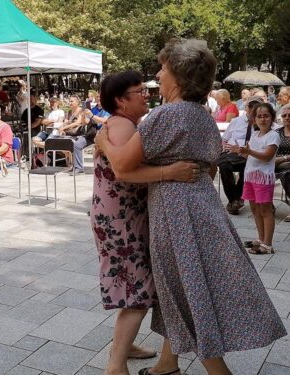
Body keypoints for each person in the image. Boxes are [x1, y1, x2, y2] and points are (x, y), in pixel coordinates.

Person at [96, 39, 286, 375]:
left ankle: (218, 372)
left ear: (179, 78)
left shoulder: (165, 115)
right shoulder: (202, 114)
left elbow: (123, 167)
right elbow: (212, 166)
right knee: (187, 285)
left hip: (174, 213)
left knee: (184, 291)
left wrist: (103, 141)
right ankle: (167, 365)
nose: (158, 74)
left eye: (164, 69)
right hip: (203, 206)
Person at [91, 70, 200, 375]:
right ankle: (115, 366)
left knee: (132, 286)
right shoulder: (123, 126)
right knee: (137, 292)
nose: (146, 95)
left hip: (120, 217)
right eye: (138, 92)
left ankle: (125, 345)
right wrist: (172, 172)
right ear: (119, 100)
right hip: (122, 220)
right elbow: (125, 172)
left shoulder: (124, 123)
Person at [236, 103, 279, 254]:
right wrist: (241, 151)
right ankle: (261, 238)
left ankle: (267, 245)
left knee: (265, 210)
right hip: (251, 176)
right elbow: (250, 154)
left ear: (272, 118)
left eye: (266, 116)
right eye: (259, 116)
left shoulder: (273, 135)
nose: (262, 119)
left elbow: (267, 156)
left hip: (263, 178)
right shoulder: (255, 134)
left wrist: (250, 151)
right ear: (254, 119)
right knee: (255, 209)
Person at [218, 96, 262, 214]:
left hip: (250, 155)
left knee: (249, 167)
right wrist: (223, 148)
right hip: (231, 152)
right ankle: (235, 199)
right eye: (250, 106)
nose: (253, 109)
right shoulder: (236, 121)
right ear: (246, 107)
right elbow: (225, 139)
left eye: (256, 106)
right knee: (224, 165)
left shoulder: (262, 123)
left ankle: (235, 200)